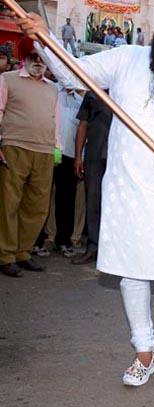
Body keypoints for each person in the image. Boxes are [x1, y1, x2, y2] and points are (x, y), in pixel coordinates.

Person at [17, 0, 154, 386]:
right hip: (125, 188)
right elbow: (73, 73)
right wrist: (45, 40)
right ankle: (144, 352)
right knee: (133, 274)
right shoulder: (127, 60)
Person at [0, 37, 59, 278]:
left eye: (41, 58)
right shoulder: (7, 80)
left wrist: (57, 148)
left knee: (37, 207)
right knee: (9, 203)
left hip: (45, 152)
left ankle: (23, 252)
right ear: (24, 58)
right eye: (33, 57)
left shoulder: (52, 88)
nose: (37, 62)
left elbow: (55, 121)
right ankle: (5, 255)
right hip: (14, 146)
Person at [71, 90, 112, 265]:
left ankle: (111, 252)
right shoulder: (92, 94)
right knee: (93, 202)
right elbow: (83, 125)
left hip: (120, 159)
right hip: (94, 156)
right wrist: (78, 156)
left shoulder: (128, 90)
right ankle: (92, 248)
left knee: (115, 204)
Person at [53, 86, 85, 257]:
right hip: (47, 151)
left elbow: (82, 131)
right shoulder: (51, 91)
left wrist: (81, 158)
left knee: (66, 201)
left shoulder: (80, 102)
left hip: (70, 156)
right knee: (41, 199)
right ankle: (37, 241)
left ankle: (63, 241)